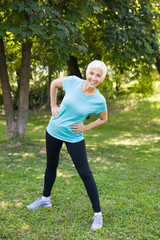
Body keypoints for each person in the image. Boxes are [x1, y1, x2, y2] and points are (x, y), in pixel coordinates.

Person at [27, 60, 108, 231]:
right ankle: (45, 199)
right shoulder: (72, 81)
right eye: (92, 73)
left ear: (102, 79)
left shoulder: (99, 100)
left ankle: (98, 214)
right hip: (53, 130)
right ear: (87, 72)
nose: (94, 77)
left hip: (74, 137)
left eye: (98, 75)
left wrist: (85, 127)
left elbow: (103, 119)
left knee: (85, 173)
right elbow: (53, 84)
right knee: (51, 165)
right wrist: (53, 105)